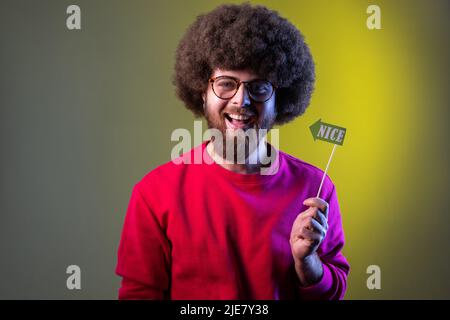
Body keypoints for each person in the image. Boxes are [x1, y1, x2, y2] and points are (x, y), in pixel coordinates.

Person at [115, 2, 349, 300]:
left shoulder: (315, 191)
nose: (241, 101)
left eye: (259, 87)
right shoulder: (154, 194)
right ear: (202, 93)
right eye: (226, 84)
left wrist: (309, 264)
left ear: (281, 99)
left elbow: (334, 292)